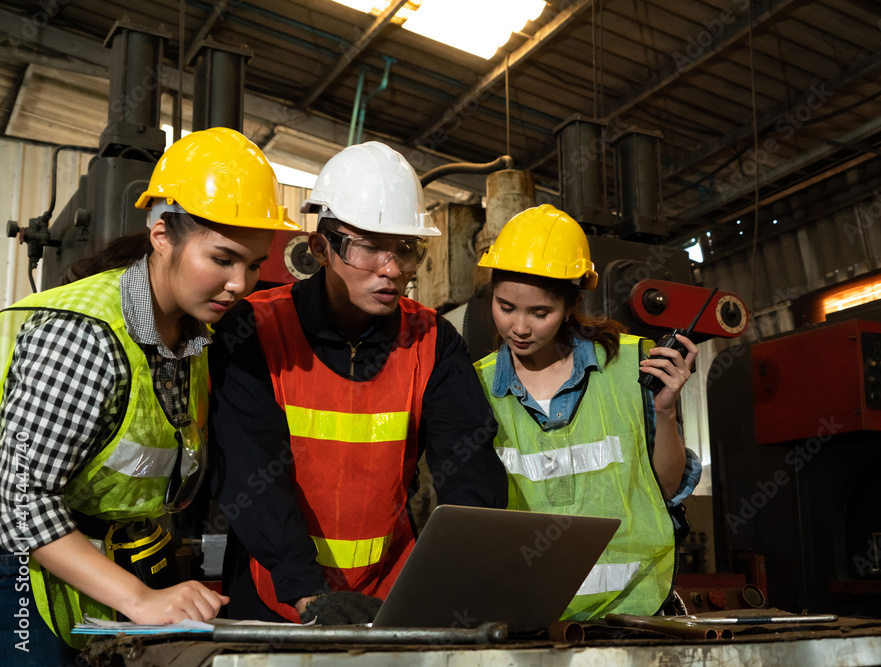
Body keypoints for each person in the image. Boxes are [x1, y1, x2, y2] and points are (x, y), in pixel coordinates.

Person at [0, 127, 296, 659]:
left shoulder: (195, 335)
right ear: (161, 234)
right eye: (223, 259)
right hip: (19, 567)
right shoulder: (83, 334)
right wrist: (140, 599)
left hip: (110, 556)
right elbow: (21, 500)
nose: (241, 284)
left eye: (253, 265)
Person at [209, 141, 508, 625]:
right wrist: (307, 594)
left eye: (406, 250)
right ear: (320, 248)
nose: (392, 270)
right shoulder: (254, 331)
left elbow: (469, 469)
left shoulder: (433, 340)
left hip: (391, 592)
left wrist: (459, 582)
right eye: (370, 247)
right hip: (274, 594)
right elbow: (249, 472)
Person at [473, 204, 703, 620]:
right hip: (527, 615)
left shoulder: (629, 366)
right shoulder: (477, 387)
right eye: (506, 307)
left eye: (540, 313)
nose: (519, 328)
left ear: (573, 302)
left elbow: (665, 490)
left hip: (633, 610)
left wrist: (665, 413)